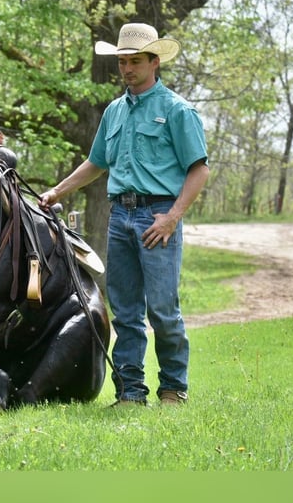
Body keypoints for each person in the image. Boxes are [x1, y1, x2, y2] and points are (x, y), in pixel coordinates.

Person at [39, 23, 209, 407]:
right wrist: (56, 191)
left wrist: (172, 217)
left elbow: (200, 169)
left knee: (163, 309)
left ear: (154, 62)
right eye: (122, 61)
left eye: (135, 61)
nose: (127, 68)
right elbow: (96, 163)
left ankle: (173, 389)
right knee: (126, 311)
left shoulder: (177, 111)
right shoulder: (114, 111)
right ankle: (130, 392)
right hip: (120, 218)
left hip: (158, 218)